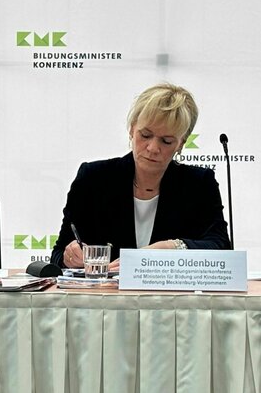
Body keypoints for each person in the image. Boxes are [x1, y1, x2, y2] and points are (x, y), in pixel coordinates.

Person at [51, 83, 231, 270]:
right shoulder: (93, 178)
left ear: (181, 143)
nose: (153, 148)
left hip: (170, 297)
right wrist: (70, 257)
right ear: (131, 129)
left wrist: (172, 247)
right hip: (105, 296)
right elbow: (58, 254)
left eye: (166, 141)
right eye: (145, 135)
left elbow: (221, 247)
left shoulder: (199, 183)